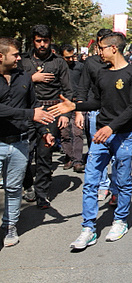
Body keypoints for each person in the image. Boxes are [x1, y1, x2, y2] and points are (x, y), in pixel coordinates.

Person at [49, 32, 132, 249]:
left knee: (122, 181)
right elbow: (97, 102)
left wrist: (112, 128)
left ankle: (120, 221)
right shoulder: (101, 74)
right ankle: (88, 228)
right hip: (101, 136)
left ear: (113, 48)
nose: (98, 52)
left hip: (123, 136)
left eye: (101, 48)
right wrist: (75, 106)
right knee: (91, 182)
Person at [0, 37, 55, 247]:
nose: (18, 58)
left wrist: (44, 131)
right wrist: (29, 114)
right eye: (14, 54)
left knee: (14, 189)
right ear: (0, 56)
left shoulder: (24, 77)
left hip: (20, 144)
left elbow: (35, 107)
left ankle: (10, 226)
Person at [20, 24, 71, 209]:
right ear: (33, 41)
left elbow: (68, 90)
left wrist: (66, 113)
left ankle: (42, 193)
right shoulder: (23, 62)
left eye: (45, 41)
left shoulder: (58, 62)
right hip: (27, 112)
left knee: (45, 153)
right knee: (23, 153)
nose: (42, 44)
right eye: (38, 41)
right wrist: (32, 78)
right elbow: (12, 83)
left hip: (50, 111)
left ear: (50, 41)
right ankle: (28, 186)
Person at [77, 29, 115, 202]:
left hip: (115, 113)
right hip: (94, 113)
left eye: (104, 47)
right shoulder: (91, 63)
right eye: (99, 46)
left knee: (117, 153)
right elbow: (83, 87)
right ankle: (102, 184)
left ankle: (116, 188)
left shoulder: (120, 63)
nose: (101, 51)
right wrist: (78, 110)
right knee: (97, 152)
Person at [60, 44, 85, 172]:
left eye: (72, 57)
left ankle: (77, 160)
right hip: (63, 103)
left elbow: (84, 85)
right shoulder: (58, 68)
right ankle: (69, 156)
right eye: (67, 57)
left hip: (77, 103)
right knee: (64, 132)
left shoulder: (80, 67)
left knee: (78, 132)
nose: (70, 60)